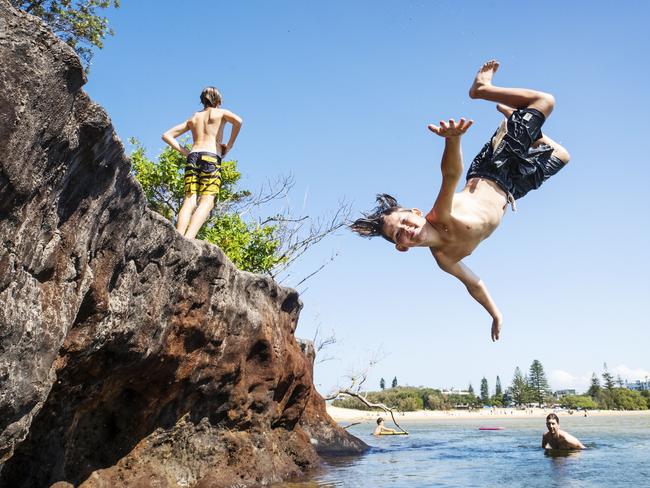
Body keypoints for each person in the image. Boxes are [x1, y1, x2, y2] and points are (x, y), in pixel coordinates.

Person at [350, 60, 570, 341]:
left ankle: (482, 89)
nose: (406, 230)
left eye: (405, 221)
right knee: (561, 156)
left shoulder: (439, 215)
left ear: (416, 213)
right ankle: (520, 122)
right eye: (398, 235)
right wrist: (495, 313)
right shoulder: (445, 259)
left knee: (544, 101)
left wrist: (452, 140)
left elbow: (450, 174)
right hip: (514, 188)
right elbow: (474, 284)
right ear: (402, 248)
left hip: (493, 167)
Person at [162, 86, 243, 239]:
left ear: (202, 101)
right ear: (218, 101)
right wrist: (229, 145)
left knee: (189, 199)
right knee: (207, 200)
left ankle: (179, 237)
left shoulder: (194, 118)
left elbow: (167, 135)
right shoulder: (221, 113)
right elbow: (238, 121)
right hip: (211, 156)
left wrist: (186, 152)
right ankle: (189, 239)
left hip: (193, 156)